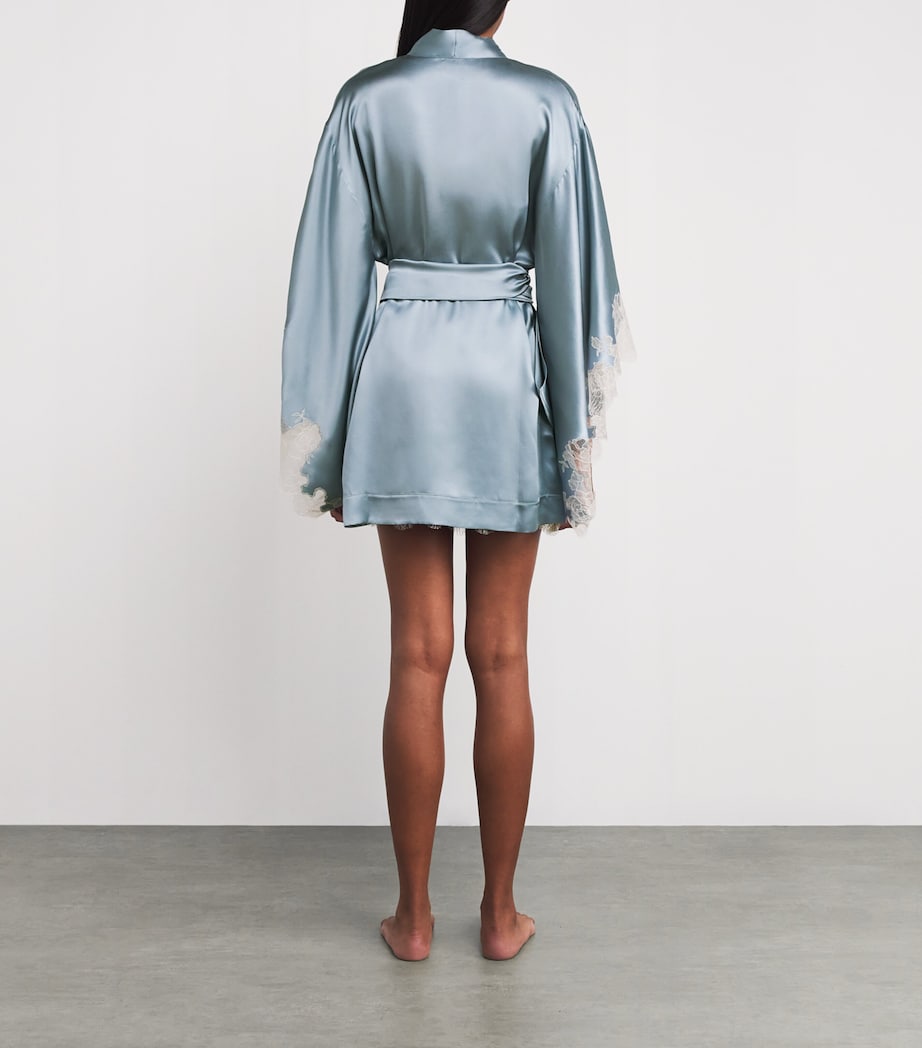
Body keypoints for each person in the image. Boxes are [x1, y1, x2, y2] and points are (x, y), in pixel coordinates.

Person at [279, 0, 635, 961]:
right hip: (501, 382)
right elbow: (569, 276)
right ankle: (501, 913)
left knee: (416, 655)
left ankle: (412, 917)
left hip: (401, 379)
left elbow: (328, 282)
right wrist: (572, 443)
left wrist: (327, 450)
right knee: (503, 655)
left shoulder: (366, 102)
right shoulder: (546, 103)